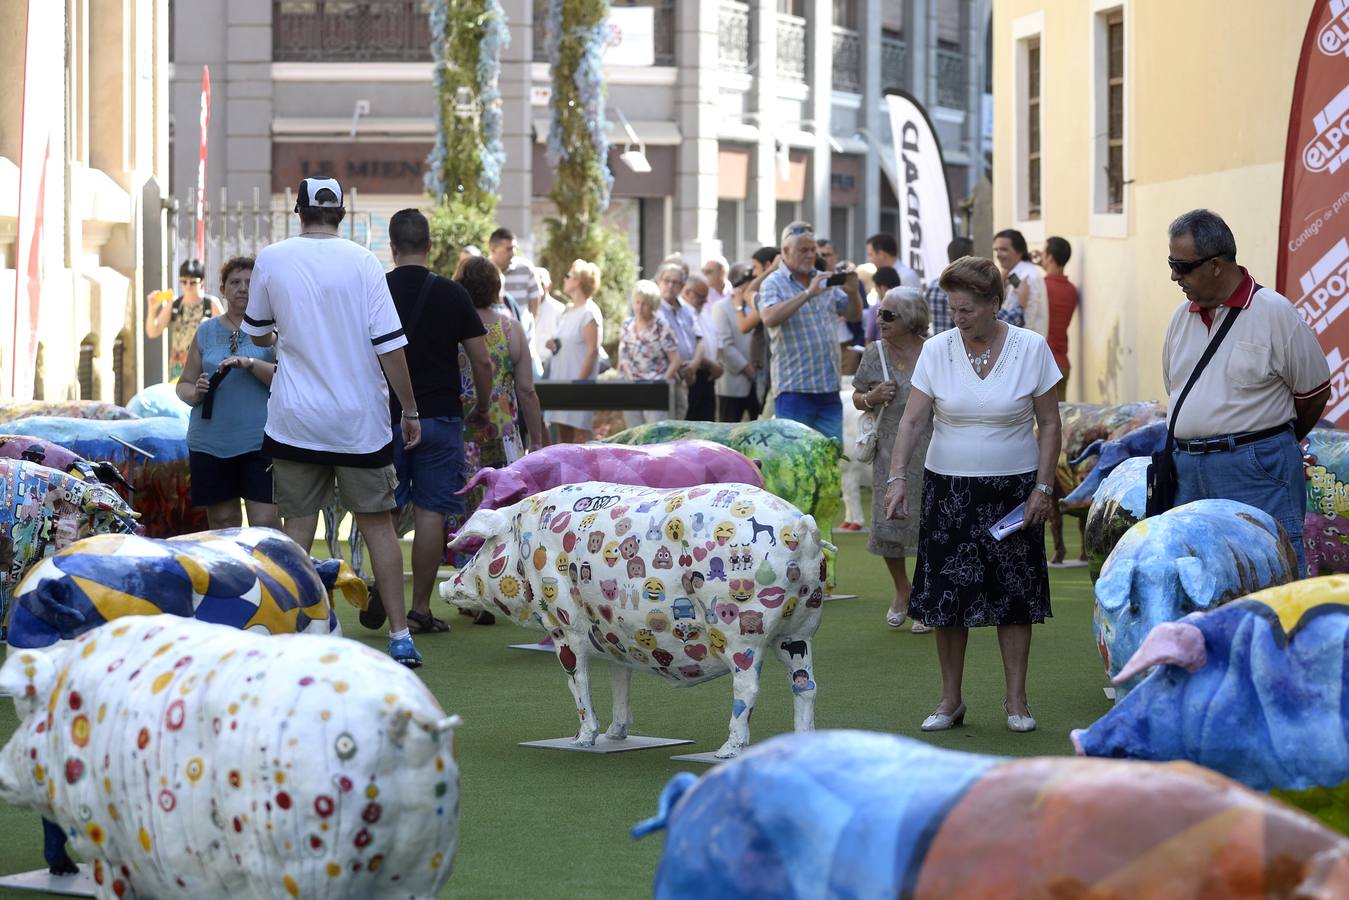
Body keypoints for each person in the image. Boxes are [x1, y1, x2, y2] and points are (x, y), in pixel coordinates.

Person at [242, 177, 425, 667]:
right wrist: (409, 411)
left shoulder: (272, 258)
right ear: (342, 212)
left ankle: (290, 632)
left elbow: (257, 335)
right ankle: (401, 636)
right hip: (358, 421)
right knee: (379, 529)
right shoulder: (364, 262)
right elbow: (390, 344)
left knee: (297, 529)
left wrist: (291, 333)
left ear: (298, 211)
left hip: (295, 419)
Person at [884, 255, 1062, 733]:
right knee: (946, 598)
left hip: (1014, 489)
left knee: (1015, 597)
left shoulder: (1031, 348)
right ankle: (950, 701)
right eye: (952, 310)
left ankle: (1017, 701)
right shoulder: (938, 350)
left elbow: (1049, 424)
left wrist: (1043, 488)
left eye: (966, 310)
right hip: (948, 489)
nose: (957, 320)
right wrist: (897, 477)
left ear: (993, 304)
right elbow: (913, 420)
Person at [1163, 209, 1331, 577]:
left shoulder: (1274, 312)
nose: (1175, 276)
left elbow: (1314, 392)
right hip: (1189, 472)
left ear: (1217, 265)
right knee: (1199, 582)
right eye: (1171, 263)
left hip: (1256, 469)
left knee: (1270, 577)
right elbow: (1176, 390)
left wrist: (1270, 442)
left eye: (1182, 266)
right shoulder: (1180, 318)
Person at [385, 208, 493, 636]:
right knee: (431, 512)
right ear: (430, 246)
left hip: (386, 416)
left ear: (391, 248)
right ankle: (420, 608)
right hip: (441, 415)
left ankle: (383, 591)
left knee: (383, 512)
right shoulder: (452, 294)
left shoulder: (375, 288)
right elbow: (481, 359)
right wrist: (482, 407)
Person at [176, 256, 279, 530]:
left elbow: (286, 381)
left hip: (260, 443)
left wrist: (250, 364)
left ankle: (269, 574)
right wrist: (195, 392)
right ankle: (230, 575)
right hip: (210, 442)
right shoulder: (206, 331)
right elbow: (183, 384)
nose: (243, 288)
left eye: (250, 282)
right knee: (223, 524)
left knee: (266, 524)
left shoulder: (273, 330)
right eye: (235, 282)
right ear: (222, 289)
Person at [852, 287, 933, 633]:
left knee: (932, 525)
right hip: (888, 449)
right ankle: (903, 589)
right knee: (889, 522)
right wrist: (871, 396)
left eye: (888, 315)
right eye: (878, 314)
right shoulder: (874, 353)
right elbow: (857, 396)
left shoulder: (935, 351)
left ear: (912, 320)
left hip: (933, 447)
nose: (879, 320)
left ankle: (927, 597)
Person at [759, 222, 863, 443]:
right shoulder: (773, 283)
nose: (810, 255)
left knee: (830, 458)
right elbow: (768, 317)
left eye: (812, 250)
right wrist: (808, 293)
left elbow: (853, 315)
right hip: (795, 389)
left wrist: (853, 294)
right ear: (785, 252)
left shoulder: (823, 278)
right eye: (803, 250)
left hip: (828, 388)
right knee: (796, 459)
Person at [545, 259, 604, 442]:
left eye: (568, 276)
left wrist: (579, 384)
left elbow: (592, 351)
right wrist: (554, 344)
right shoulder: (567, 311)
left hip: (578, 383)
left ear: (578, 281)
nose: (564, 279)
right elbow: (568, 343)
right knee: (563, 434)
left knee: (580, 436)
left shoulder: (589, 312)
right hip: (561, 380)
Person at [146, 259, 225, 382]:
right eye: (184, 281)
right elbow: (153, 332)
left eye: (193, 282)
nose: (188, 286)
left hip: (204, 366)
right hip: (178, 368)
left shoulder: (211, 304)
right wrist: (152, 309)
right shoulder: (175, 304)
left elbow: (227, 333)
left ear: (202, 281)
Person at [618, 279, 680, 428]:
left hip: (654, 389)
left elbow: (676, 360)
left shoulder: (661, 327)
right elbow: (623, 355)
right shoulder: (627, 325)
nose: (640, 307)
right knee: (633, 436)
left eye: (645, 303)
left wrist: (661, 384)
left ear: (652, 305)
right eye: (637, 302)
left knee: (654, 435)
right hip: (631, 388)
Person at [713, 262, 762, 423]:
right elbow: (724, 345)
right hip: (733, 382)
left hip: (760, 381)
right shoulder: (721, 307)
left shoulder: (759, 304)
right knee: (729, 431)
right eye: (750, 279)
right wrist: (746, 368)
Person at [655, 262, 702, 419]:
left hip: (685, 375)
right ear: (658, 282)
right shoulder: (653, 310)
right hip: (664, 374)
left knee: (679, 420)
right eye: (666, 281)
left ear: (682, 286)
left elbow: (700, 340)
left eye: (675, 282)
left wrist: (694, 365)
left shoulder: (688, 310)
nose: (670, 286)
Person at [681, 274, 721, 421]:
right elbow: (688, 346)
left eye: (706, 296)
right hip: (694, 375)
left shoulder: (703, 314)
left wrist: (717, 365)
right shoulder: (683, 313)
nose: (705, 300)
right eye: (700, 296)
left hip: (708, 378)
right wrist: (710, 364)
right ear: (687, 292)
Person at [993, 229, 1047, 337]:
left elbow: (1028, 320)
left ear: (1019, 251)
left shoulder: (1028, 276)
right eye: (996, 250)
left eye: (1003, 249)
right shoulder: (1014, 273)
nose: (998, 254)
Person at [926, 236, 974, 336]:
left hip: (938, 343)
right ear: (968, 257)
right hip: (960, 345)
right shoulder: (968, 287)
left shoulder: (933, 285)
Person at [531, 265, 566, 377]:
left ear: (549, 286)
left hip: (550, 365)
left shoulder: (559, 309)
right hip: (529, 365)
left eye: (541, 283)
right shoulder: (524, 309)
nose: (537, 288)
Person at [863, 266, 903, 343]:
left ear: (882, 288)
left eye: (876, 288)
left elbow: (869, 340)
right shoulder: (907, 308)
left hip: (881, 352)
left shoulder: (876, 309)